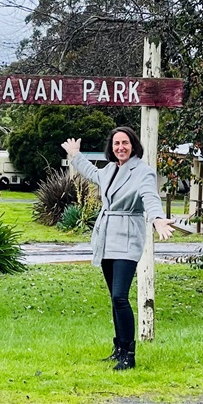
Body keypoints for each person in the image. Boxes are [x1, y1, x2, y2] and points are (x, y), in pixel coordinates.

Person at [61, 127, 174, 371]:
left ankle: (129, 354)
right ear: (111, 147)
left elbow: (149, 196)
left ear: (133, 145)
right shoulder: (111, 169)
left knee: (119, 297)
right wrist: (75, 155)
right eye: (116, 143)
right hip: (106, 238)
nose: (120, 147)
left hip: (126, 238)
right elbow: (92, 173)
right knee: (114, 298)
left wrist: (157, 218)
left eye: (124, 143)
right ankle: (119, 348)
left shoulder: (142, 172)